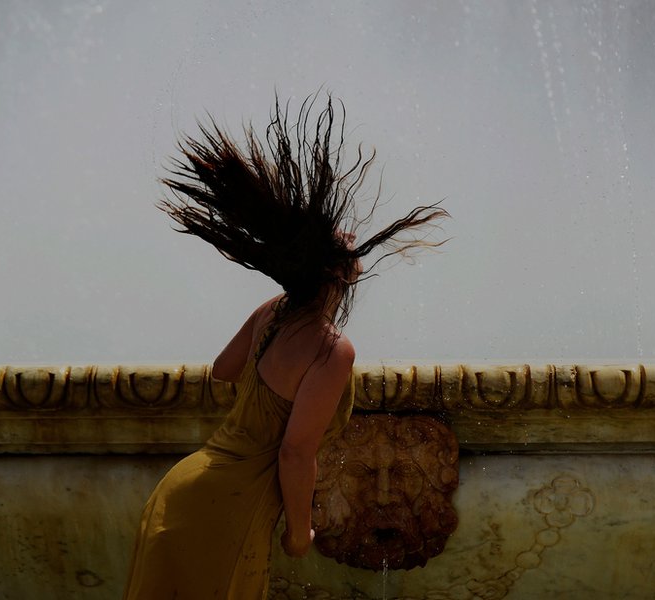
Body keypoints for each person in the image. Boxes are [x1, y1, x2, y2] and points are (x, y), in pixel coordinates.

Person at [122, 94, 448, 600]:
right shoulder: (331, 349)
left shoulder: (272, 310)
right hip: (232, 505)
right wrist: (299, 534)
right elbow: (296, 452)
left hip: (186, 487)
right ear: (340, 274)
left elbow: (223, 370)